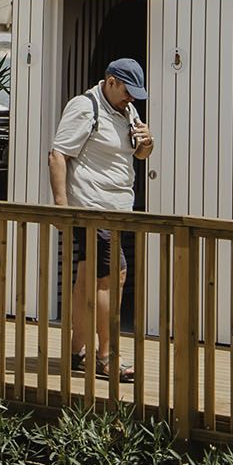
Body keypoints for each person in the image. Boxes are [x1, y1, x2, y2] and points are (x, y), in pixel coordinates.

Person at [48, 58, 152, 384]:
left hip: (117, 210)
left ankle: (76, 353)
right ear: (110, 81)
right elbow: (58, 154)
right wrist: (61, 206)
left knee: (86, 281)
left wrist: (147, 145)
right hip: (93, 210)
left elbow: (137, 155)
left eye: (135, 94)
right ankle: (107, 357)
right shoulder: (84, 107)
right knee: (113, 277)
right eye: (127, 91)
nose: (131, 98)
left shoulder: (127, 110)